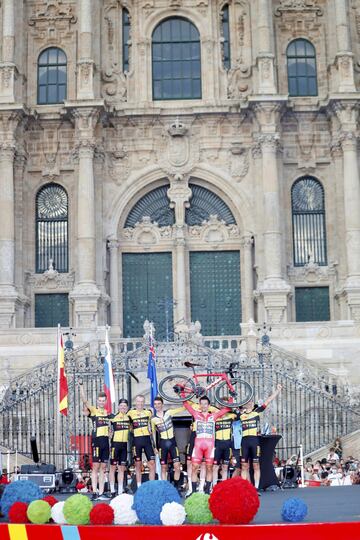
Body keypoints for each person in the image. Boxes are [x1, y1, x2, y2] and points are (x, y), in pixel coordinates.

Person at [182, 394, 232, 495]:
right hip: (198, 444)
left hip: (210, 445)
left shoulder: (214, 415)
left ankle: (207, 490)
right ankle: (193, 491)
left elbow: (227, 408)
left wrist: (231, 396)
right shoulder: (196, 414)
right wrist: (182, 392)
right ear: (199, 405)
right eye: (202, 404)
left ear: (209, 405)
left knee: (209, 468)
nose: (204, 406)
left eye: (206, 404)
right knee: (194, 467)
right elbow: (186, 404)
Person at [240, 384, 282, 490]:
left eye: (251, 401)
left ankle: (256, 487)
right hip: (244, 441)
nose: (249, 402)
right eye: (247, 401)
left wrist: (277, 391)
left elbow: (268, 401)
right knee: (244, 466)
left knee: (256, 465)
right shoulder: (240, 414)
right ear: (244, 404)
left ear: (253, 403)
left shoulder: (256, 412)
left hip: (254, 441)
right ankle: (244, 487)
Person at [79, 383, 110, 500]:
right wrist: (82, 387)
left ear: (106, 401)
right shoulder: (93, 410)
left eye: (103, 401)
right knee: (95, 467)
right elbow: (84, 400)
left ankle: (101, 493)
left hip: (106, 442)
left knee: (103, 468)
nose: (101, 402)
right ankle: (95, 492)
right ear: (97, 401)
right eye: (100, 400)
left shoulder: (107, 413)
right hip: (96, 441)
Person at [151, 396, 184, 490]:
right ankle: (165, 487)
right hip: (162, 444)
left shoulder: (168, 412)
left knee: (177, 466)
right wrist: (154, 447)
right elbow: (152, 434)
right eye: (155, 404)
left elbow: (182, 408)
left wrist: (186, 401)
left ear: (162, 404)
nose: (157, 406)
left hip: (172, 442)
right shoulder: (153, 419)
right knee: (163, 467)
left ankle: (176, 486)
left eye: (159, 404)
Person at [128, 394, 155, 488]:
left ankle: (152, 486)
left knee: (152, 463)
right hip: (136, 440)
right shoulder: (130, 413)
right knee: (138, 464)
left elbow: (152, 424)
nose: (140, 403)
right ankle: (139, 486)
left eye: (142, 401)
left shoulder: (148, 412)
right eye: (138, 401)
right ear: (136, 402)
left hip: (147, 439)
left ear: (144, 403)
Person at [109, 398, 131, 497]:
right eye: (121, 406)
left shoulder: (129, 418)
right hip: (115, 445)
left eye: (124, 406)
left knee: (122, 468)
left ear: (127, 408)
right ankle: (112, 490)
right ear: (118, 407)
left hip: (124, 445)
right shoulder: (113, 417)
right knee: (113, 468)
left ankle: (120, 490)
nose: (123, 408)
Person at [212, 410, 237, 487]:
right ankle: (214, 486)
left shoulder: (231, 415)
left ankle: (223, 487)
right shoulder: (215, 416)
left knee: (225, 467)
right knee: (215, 467)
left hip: (227, 444)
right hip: (217, 444)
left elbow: (238, 415)